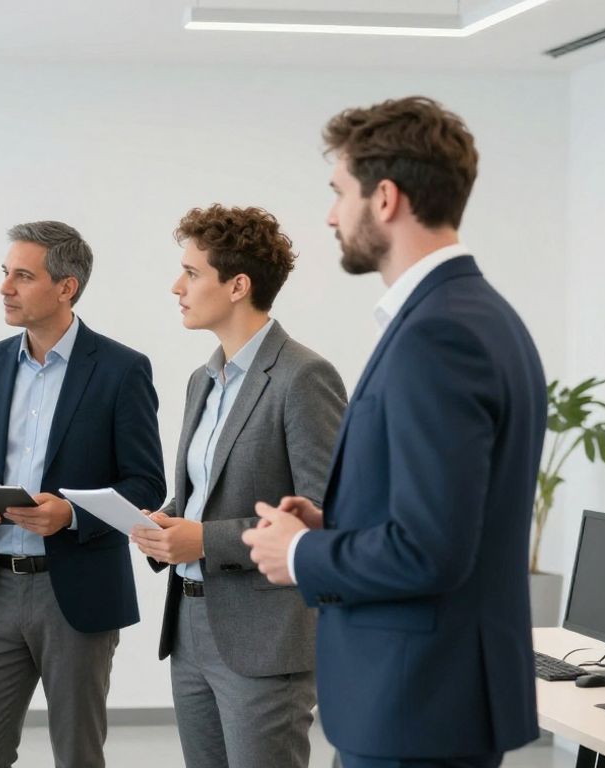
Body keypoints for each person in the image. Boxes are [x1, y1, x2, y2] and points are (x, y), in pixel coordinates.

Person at [243, 96, 547, 768]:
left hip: (416, 702)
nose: (329, 215)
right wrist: (332, 524)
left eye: (337, 192)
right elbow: (444, 512)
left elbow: (432, 550)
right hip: (429, 697)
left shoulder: (439, 334)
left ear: (385, 199)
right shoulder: (476, 314)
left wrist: (301, 556)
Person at [0, 221, 165, 767]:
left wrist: (70, 514)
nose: (5, 288)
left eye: (22, 276)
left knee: (77, 756)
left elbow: (146, 483)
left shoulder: (121, 369)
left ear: (66, 287)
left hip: (78, 592)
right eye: (5, 274)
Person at [131, 204, 345, 768]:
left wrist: (203, 540)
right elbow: (201, 494)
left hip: (265, 637)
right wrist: (165, 523)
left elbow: (326, 513)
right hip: (190, 627)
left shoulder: (303, 376)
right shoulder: (203, 379)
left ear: (238, 286)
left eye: (193, 273)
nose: (177, 286)